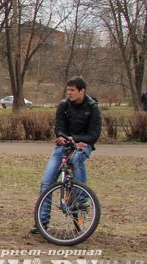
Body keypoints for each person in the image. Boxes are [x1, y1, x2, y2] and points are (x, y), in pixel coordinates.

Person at [32, 76, 101, 234]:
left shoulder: (92, 107)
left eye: (72, 90)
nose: (69, 93)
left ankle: (81, 200)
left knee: (76, 160)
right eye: (68, 90)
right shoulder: (63, 105)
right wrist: (62, 137)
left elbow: (94, 134)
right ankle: (41, 223)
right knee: (46, 183)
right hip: (63, 147)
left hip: (83, 146)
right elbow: (59, 128)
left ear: (81, 91)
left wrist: (77, 140)